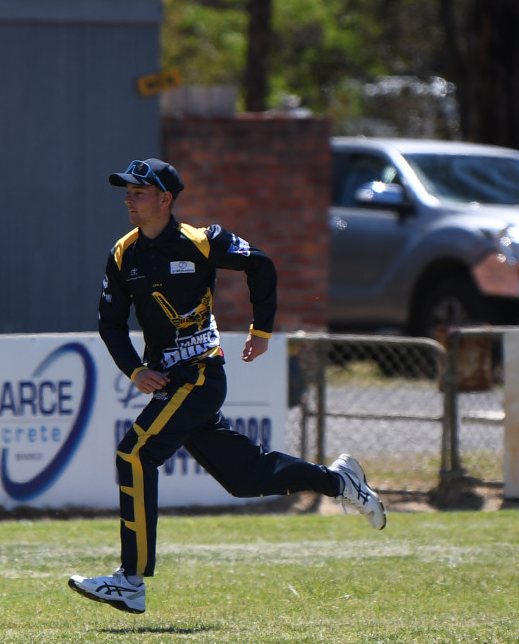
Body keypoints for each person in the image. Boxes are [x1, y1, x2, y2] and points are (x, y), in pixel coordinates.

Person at [67, 158, 386, 615]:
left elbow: (261, 265)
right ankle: (340, 482)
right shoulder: (123, 253)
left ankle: (130, 580)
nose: (128, 199)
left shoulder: (203, 241)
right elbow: (110, 324)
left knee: (135, 454)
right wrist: (135, 370)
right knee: (245, 479)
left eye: (139, 191)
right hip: (169, 384)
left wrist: (262, 330)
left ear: (165, 199)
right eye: (127, 192)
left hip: (200, 376)